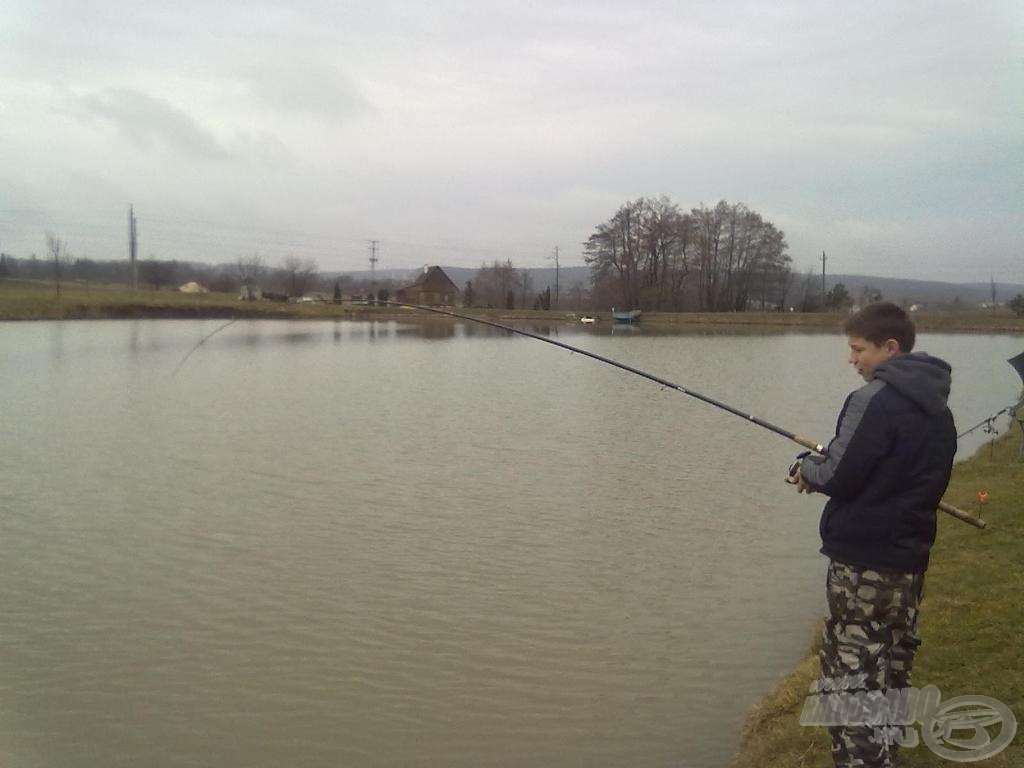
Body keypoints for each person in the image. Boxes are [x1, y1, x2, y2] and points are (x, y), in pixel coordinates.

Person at [788, 302, 957, 768]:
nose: (852, 359)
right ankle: (886, 757)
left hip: (864, 563)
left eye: (857, 349)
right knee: (892, 667)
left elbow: (839, 474)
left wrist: (806, 470)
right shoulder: (938, 407)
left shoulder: (873, 399)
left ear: (890, 347)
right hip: (909, 560)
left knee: (851, 675)